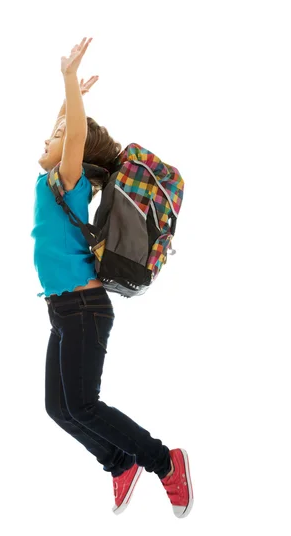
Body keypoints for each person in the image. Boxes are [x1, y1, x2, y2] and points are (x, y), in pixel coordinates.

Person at [31, 37, 193, 518]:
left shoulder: (69, 179)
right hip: (63, 311)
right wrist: (68, 99)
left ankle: (165, 463)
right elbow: (66, 130)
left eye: (58, 135)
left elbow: (74, 137)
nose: (48, 137)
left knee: (83, 406)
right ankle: (119, 462)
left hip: (84, 310)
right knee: (59, 409)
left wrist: (68, 85)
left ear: (74, 154)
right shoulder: (49, 180)